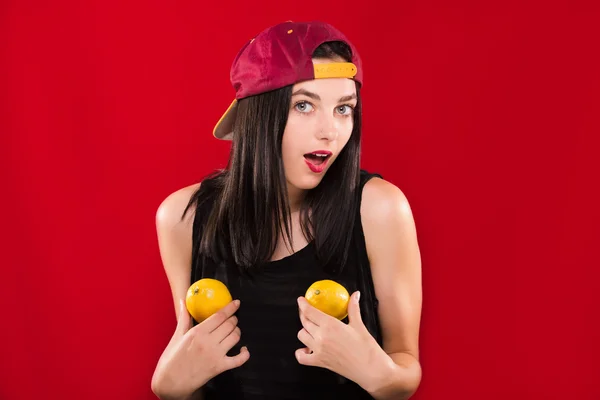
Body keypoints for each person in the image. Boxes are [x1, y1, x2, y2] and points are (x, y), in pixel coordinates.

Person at [150, 20, 423, 400]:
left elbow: (405, 363)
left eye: (344, 108)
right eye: (304, 105)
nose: (329, 131)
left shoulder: (380, 209)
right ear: (260, 114)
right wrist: (170, 389)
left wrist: (382, 377)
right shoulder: (183, 217)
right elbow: (194, 357)